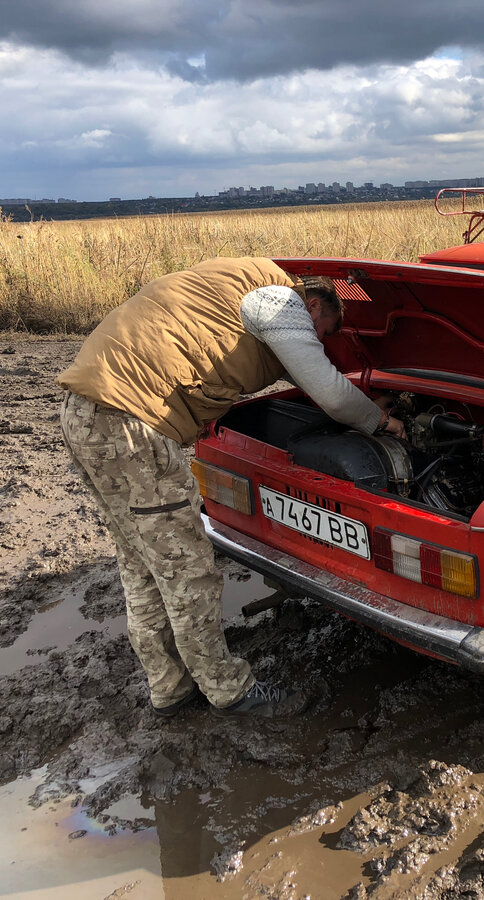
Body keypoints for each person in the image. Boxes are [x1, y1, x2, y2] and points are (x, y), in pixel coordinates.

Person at [56, 257, 404, 718]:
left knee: (142, 564)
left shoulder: (237, 291)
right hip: (131, 425)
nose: (321, 343)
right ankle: (230, 691)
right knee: (188, 569)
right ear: (314, 306)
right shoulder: (279, 301)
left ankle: (170, 688)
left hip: (88, 414)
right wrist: (381, 420)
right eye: (325, 333)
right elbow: (332, 392)